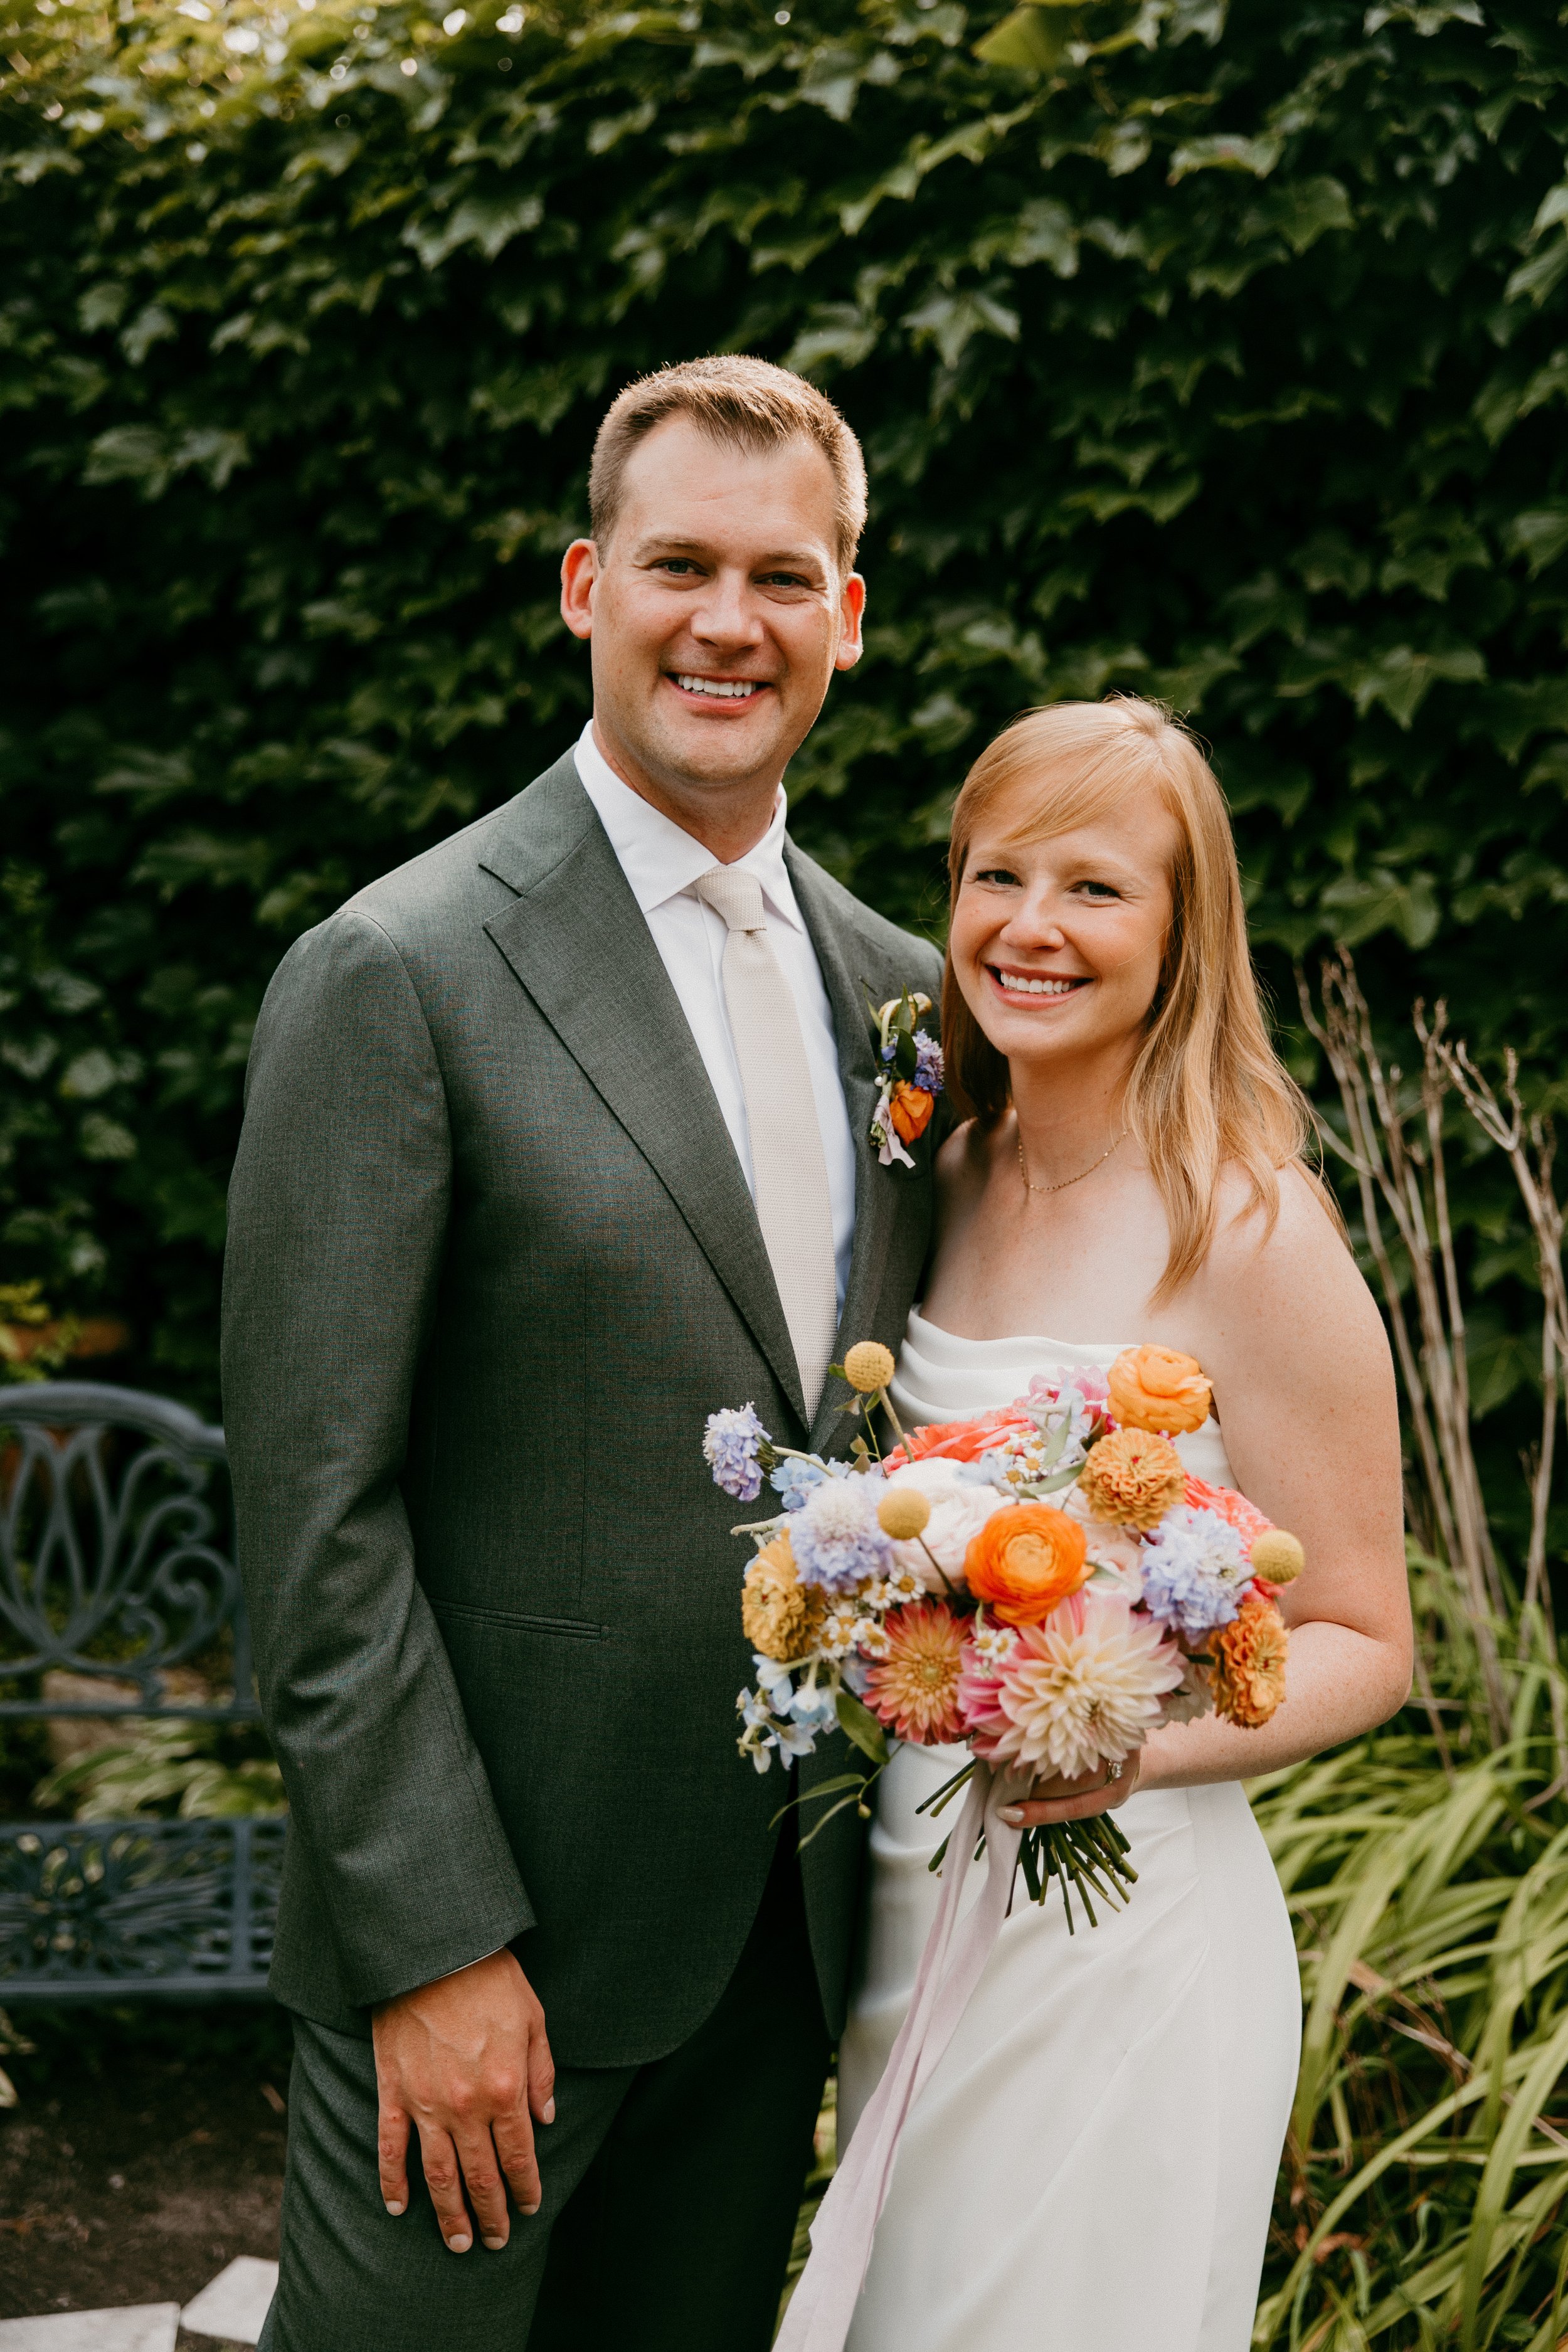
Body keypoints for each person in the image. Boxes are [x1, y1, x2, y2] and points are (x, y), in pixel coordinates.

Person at [220, 355, 945, 2352]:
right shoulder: (396, 969)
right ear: (583, 587)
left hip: (777, 1954)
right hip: (485, 1967)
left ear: (846, 618)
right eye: (678, 566)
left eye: (782, 579)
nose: (729, 622)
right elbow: (315, 1513)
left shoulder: (903, 996)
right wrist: (433, 1943)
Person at [831, 697, 1412, 2352]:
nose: (1031, 926)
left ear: (1180, 932)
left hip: (1120, 1943)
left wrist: (1131, 1751)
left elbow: (1366, 1637)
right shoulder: (937, 1180)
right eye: (996, 876)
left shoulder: (1251, 1228)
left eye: (1093, 887)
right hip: (908, 1910)